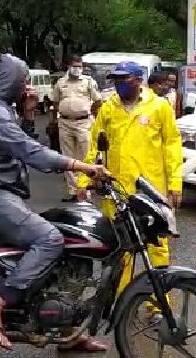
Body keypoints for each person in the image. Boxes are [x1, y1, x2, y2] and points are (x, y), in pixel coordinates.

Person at [0, 53, 110, 352]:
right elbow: (33, 153)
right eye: (24, 81)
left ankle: (65, 329)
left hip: (2, 193)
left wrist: (28, 115)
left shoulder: (3, 110)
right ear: (11, 82)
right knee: (50, 239)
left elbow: (22, 144)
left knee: (71, 239)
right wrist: (82, 167)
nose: (28, 87)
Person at [77, 61, 183, 310]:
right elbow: (95, 146)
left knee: (157, 248)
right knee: (121, 250)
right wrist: (84, 180)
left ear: (138, 80)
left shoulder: (159, 107)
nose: (118, 84)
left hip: (151, 191)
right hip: (117, 191)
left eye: (124, 79)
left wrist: (175, 183)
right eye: (115, 80)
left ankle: (159, 305)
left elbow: (172, 145)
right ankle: (123, 304)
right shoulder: (108, 108)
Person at [52, 55, 102, 202]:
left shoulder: (88, 82)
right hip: (65, 122)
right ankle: (74, 191)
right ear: (68, 66)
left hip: (84, 122)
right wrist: (55, 119)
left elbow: (98, 100)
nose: (77, 69)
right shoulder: (60, 83)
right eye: (75, 66)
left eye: (80, 66)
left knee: (85, 156)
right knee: (68, 157)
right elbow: (55, 102)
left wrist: (90, 111)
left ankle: (85, 190)